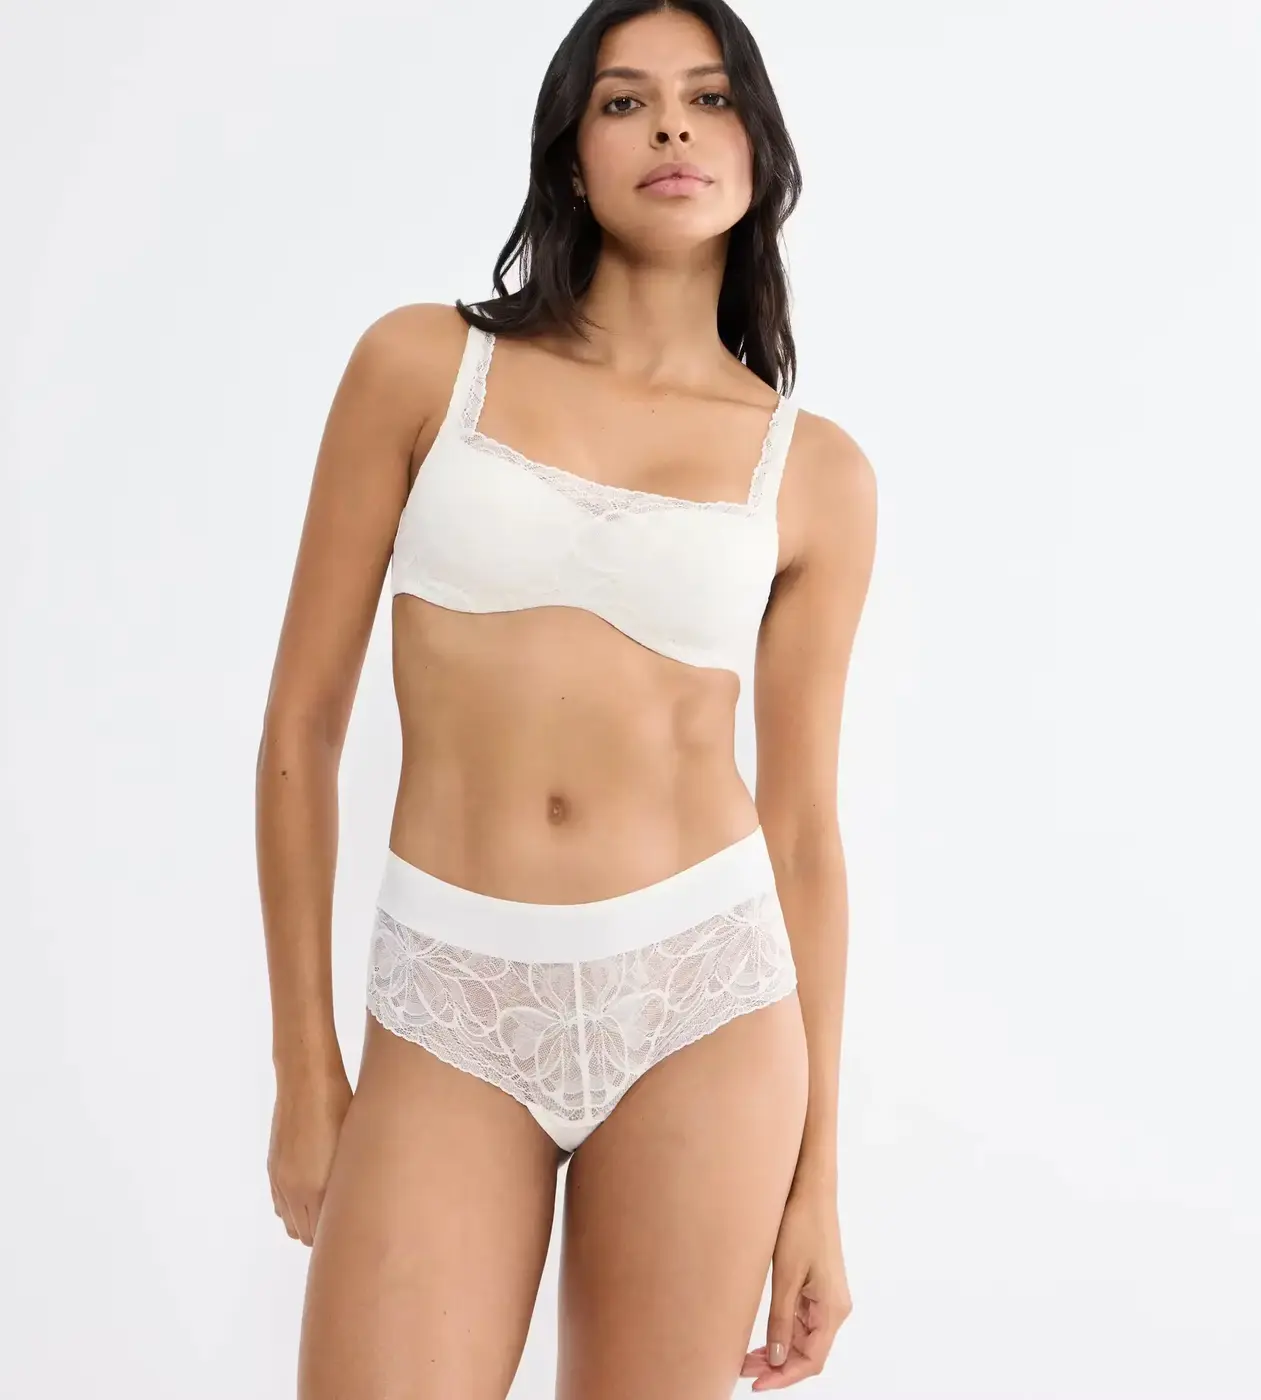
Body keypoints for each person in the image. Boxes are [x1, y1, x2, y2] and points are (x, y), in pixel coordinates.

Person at [255, 0, 877, 1394]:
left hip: (704, 1000)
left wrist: (818, 1181)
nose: (671, 128)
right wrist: (304, 1066)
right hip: (448, 995)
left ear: (760, 152)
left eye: (710, 98)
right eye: (624, 101)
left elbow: (805, 832)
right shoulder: (424, 368)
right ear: (571, 155)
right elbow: (302, 722)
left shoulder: (816, 473)